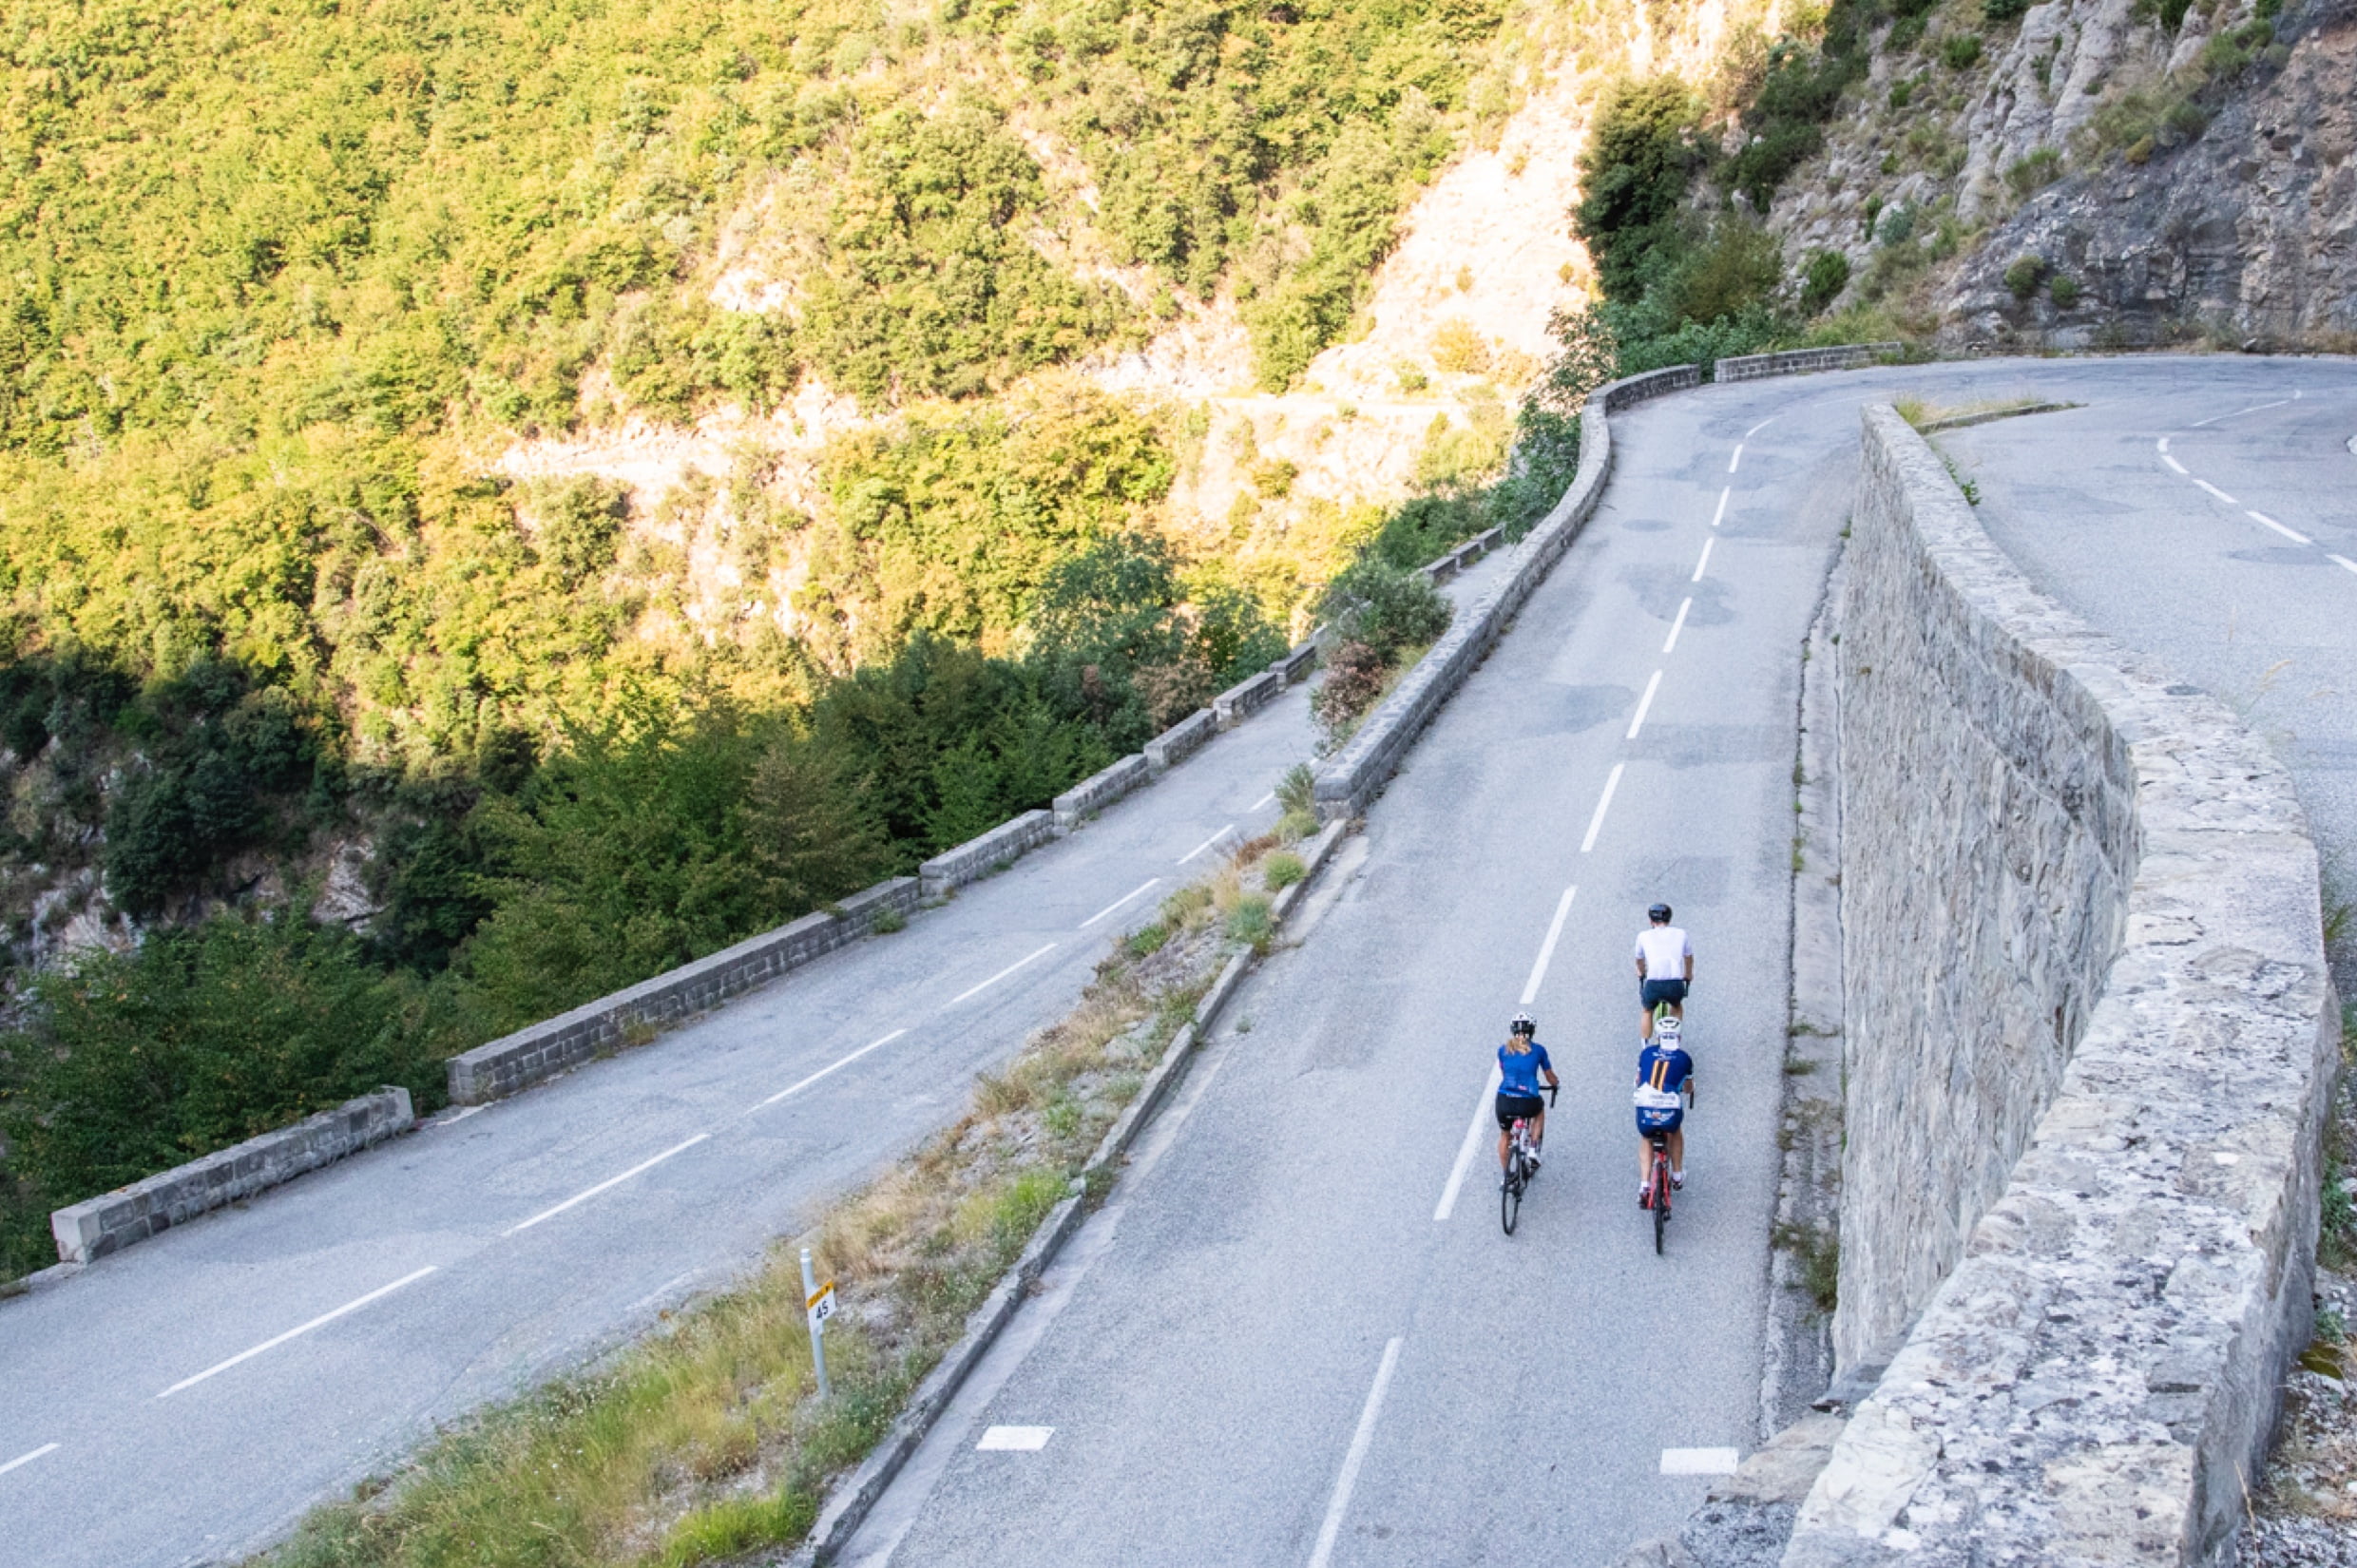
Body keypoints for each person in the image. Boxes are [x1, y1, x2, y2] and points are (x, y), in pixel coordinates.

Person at [1635, 1014, 1695, 1203]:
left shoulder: (1646, 1054)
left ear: (1657, 1037)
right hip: (1669, 1107)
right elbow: (1688, 1087)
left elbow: (1637, 1080)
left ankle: (1644, 1185)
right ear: (1679, 1037)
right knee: (1675, 1130)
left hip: (1646, 1103)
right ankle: (1677, 1175)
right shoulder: (1684, 1058)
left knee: (1646, 1137)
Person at [1496, 1011, 1559, 1183]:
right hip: (1527, 1100)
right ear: (1532, 1031)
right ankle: (1532, 1148)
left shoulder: (1502, 1050)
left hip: (1504, 1099)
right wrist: (1555, 1084)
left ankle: (1506, 1176)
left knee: (1505, 1135)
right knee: (1539, 1111)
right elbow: (1549, 1076)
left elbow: (1504, 1072)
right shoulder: (1538, 1050)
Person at [1634, 902, 1694, 1042]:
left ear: (1650, 920)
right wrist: (1688, 974)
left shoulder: (1643, 936)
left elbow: (1639, 960)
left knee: (1647, 1010)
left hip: (1654, 983)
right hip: (1674, 983)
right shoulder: (1681, 934)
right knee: (1677, 1005)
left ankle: (1645, 1044)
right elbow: (1688, 957)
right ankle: (1673, 1036)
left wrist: (1641, 972)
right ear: (1669, 919)